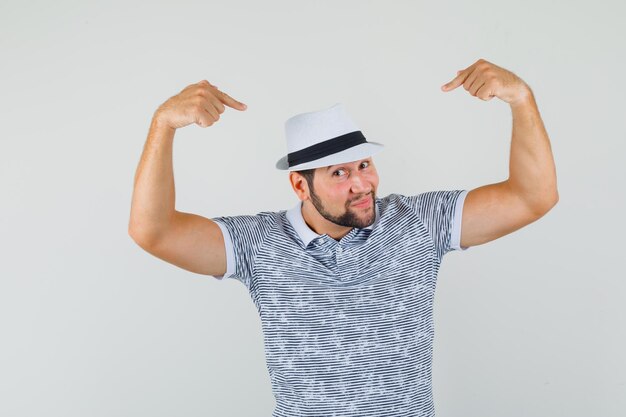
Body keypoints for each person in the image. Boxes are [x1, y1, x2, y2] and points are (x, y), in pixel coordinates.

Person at [128, 58, 558, 417]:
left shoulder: (418, 222)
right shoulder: (256, 244)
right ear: (300, 186)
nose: (362, 184)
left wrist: (521, 100)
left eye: (364, 165)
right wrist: (163, 125)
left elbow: (532, 197)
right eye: (340, 173)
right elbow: (153, 231)